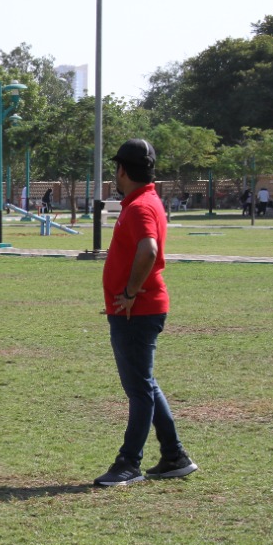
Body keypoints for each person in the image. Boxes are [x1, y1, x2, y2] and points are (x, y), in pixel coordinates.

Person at [94, 139, 197, 487]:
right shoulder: (144, 201)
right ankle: (174, 456)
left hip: (137, 312)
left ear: (122, 170)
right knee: (145, 385)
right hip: (137, 311)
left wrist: (129, 292)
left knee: (138, 390)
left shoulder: (140, 207)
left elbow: (148, 250)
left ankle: (129, 463)